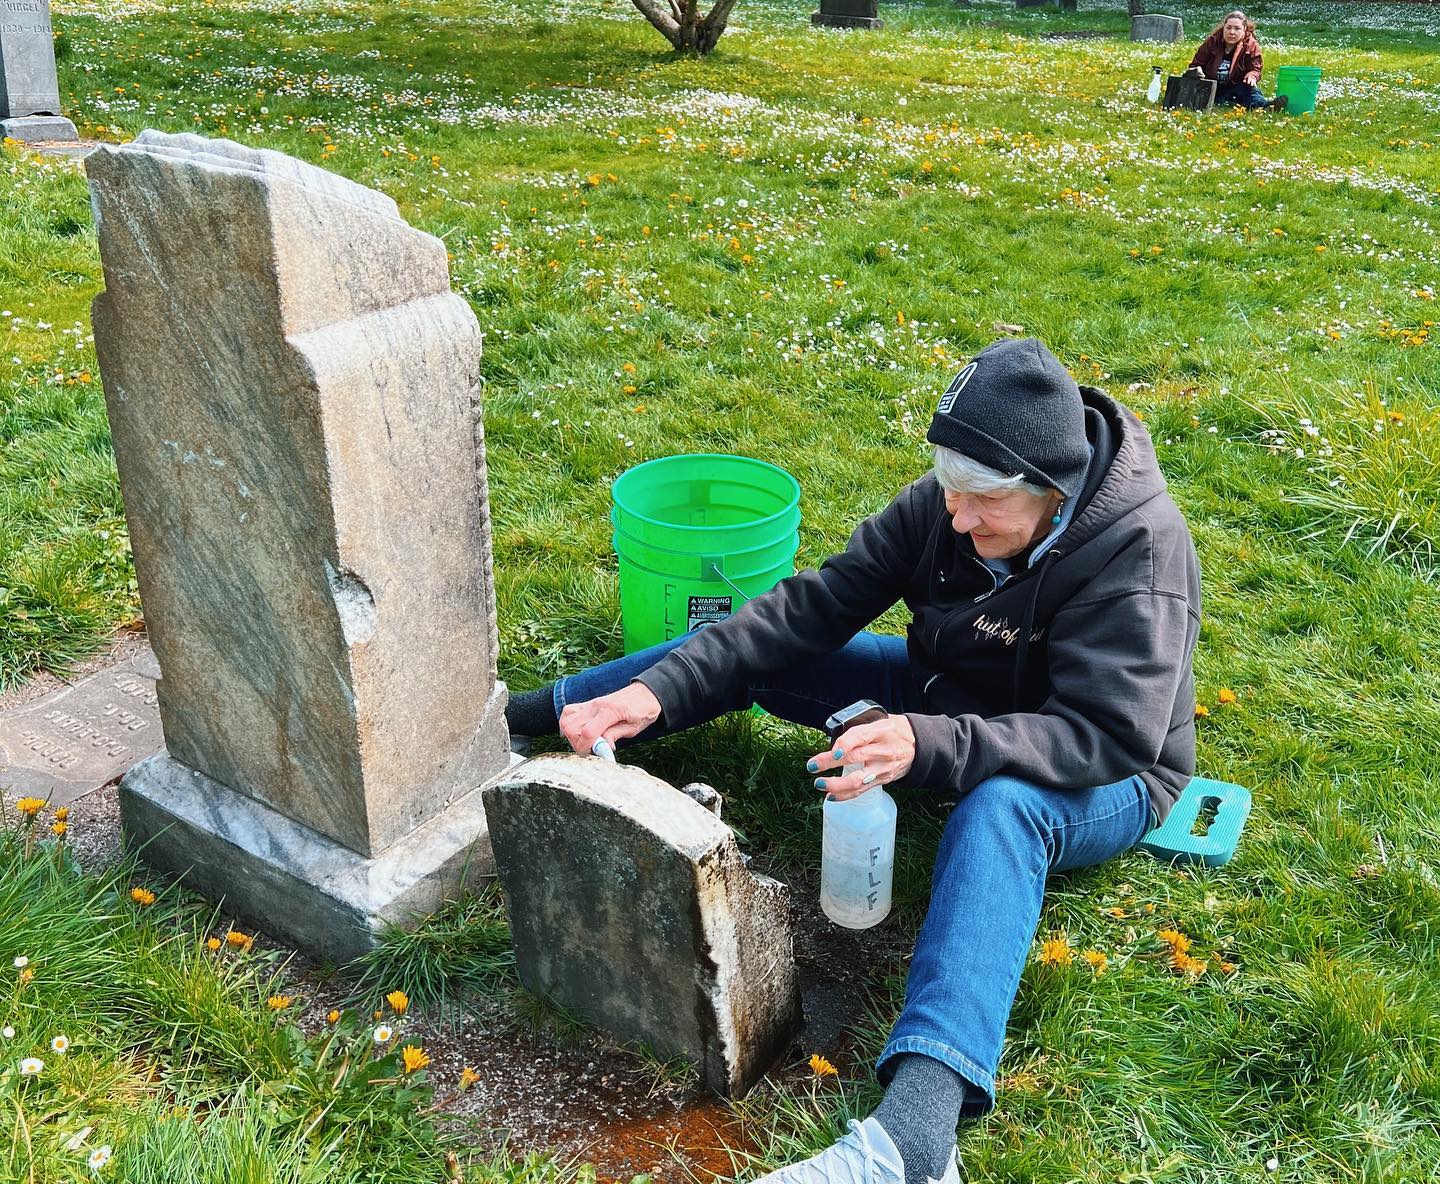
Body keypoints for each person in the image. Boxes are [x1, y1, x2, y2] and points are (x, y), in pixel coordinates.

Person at [506, 337, 1202, 1184]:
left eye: (982, 504)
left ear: (1052, 494)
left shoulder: (1141, 553)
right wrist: (655, 694)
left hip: (1104, 769)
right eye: (949, 492)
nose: (957, 519)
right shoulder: (955, 499)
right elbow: (812, 606)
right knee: (751, 644)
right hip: (949, 697)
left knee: (1001, 810)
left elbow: (1107, 734)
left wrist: (930, 744)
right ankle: (528, 716)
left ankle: (916, 1140)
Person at [1188, 9, 1288, 110]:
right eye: (1228, 28)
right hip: (1211, 87)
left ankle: (1265, 107)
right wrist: (1197, 72)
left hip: (1237, 87)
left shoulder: (1251, 45)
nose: (1232, 32)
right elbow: (1195, 65)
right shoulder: (1212, 42)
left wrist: (1252, 76)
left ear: (1244, 29)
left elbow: (1255, 69)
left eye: (1237, 29)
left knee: (1250, 90)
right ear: (1224, 29)